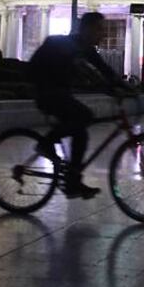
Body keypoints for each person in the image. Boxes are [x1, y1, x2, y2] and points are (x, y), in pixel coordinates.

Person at [28, 12, 132, 199]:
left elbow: (104, 70)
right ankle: (46, 145)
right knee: (83, 117)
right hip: (45, 91)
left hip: (59, 91)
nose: (103, 34)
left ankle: (73, 180)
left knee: (81, 126)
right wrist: (109, 88)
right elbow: (86, 71)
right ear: (86, 29)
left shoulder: (86, 48)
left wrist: (123, 86)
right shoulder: (67, 45)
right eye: (99, 29)